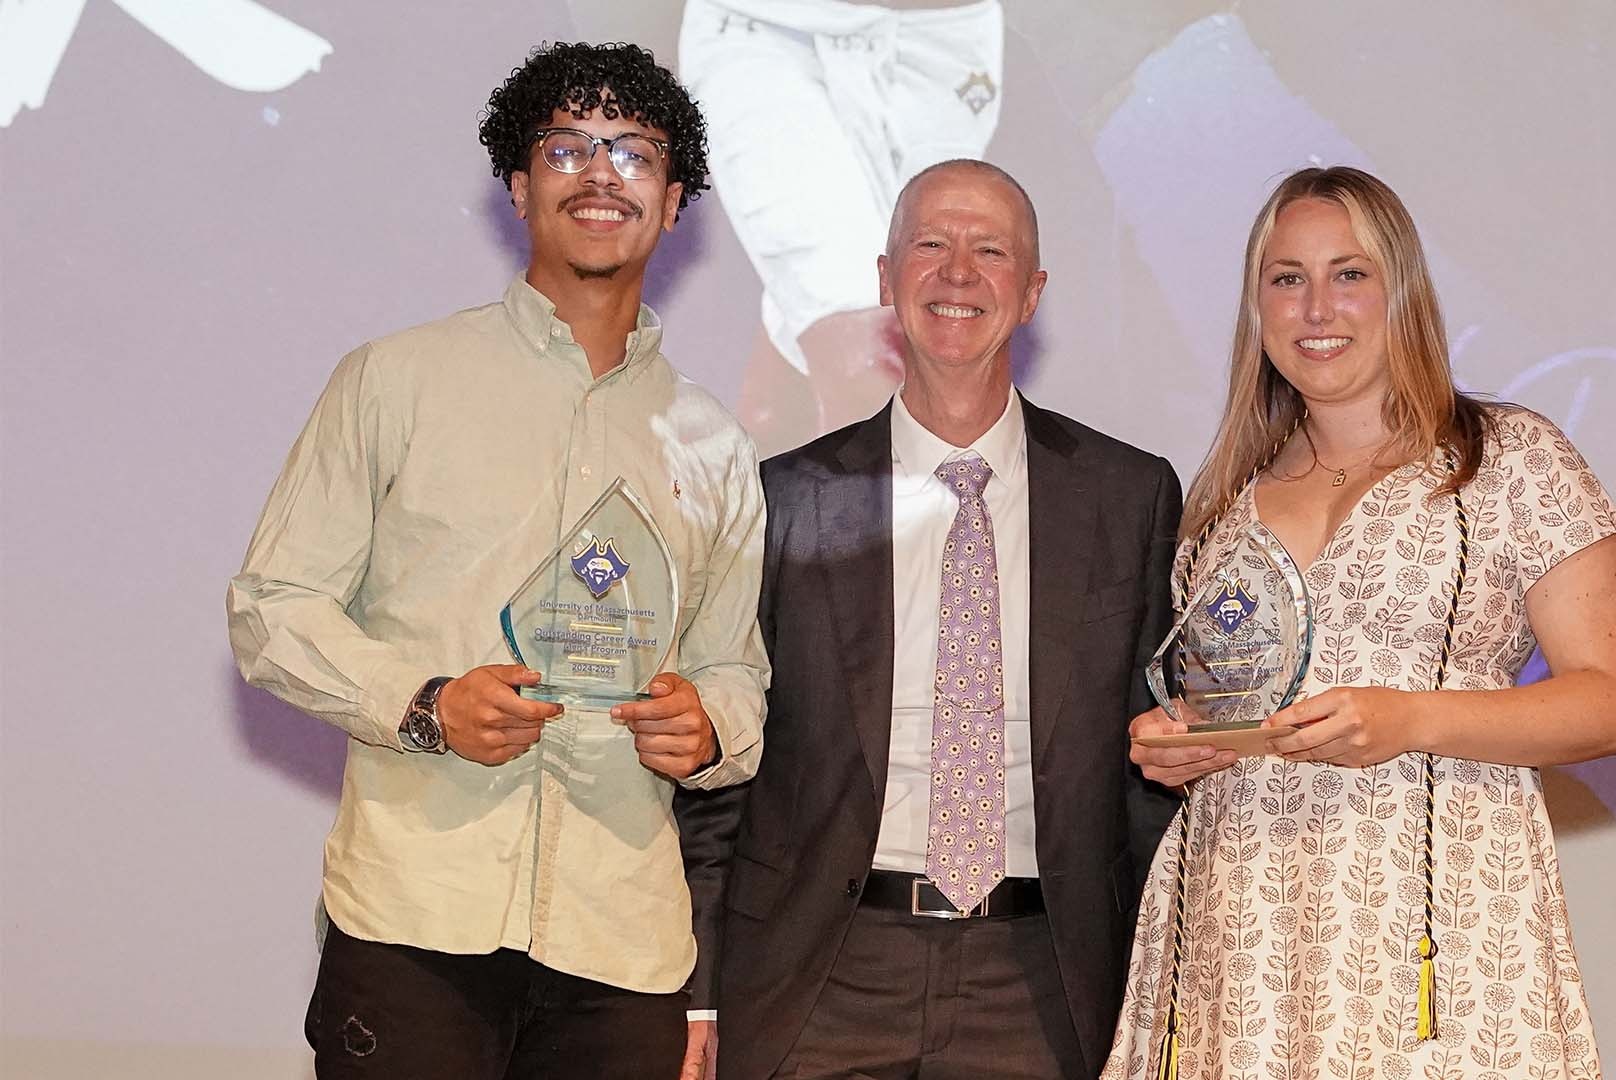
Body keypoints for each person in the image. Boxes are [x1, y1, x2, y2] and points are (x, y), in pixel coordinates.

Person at [226, 42, 769, 1080]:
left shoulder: (715, 444)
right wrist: (424, 701)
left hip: (623, 944)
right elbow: (270, 607)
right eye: (567, 147)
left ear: (674, 200)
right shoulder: (396, 381)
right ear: (518, 187)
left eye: (634, 153)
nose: (600, 172)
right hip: (415, 922)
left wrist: (707, 729)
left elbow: (736, 672)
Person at [1108, 166, 1616, 1078]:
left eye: (1349, 273)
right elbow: (1229, 713)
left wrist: (1411, 718)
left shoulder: (1508, 458)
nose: (1317, 306)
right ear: (1257, 306)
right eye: (1287, 278)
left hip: (1437, 928)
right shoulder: (1221, 501)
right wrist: (1179, 746)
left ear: (1401, 290)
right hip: (1238, 932)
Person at [675, 158, 1182, 1080]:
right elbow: (726, 766)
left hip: (1047, 980)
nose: (957, 273)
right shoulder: (783, 498)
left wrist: (1170, 985)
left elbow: (1150, 773)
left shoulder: (1128, 494)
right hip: (821, 973)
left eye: (990, 251)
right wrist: (696, 985)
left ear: (1031, 294)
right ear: (884, 278)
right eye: (930, 245)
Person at [676, 0, 1007, 450]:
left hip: (943, 46)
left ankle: (747, 509)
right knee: (871, 352)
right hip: (768, 29)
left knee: (786, 396)